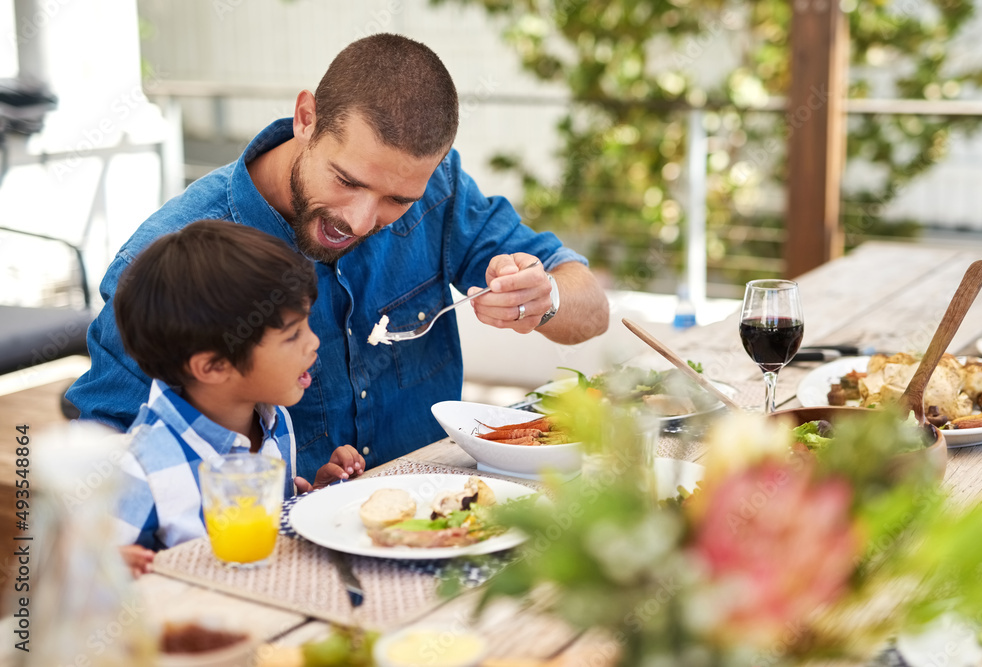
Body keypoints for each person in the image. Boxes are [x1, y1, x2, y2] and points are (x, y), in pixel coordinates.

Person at [68, 33, 610, 484]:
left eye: (398, 200)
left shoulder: (439, 189)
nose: (359, 219)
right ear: (306, 117)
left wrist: (546, 298)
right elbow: (102, 464)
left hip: (449, 516)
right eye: (347, 180)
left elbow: (592, 311)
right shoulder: (162, 262)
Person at [112, 221, 364, 573]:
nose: (313, 342)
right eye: (292, 336)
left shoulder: (274, 420)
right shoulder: (140, 470)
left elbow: (267, 536)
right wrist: (105, 572)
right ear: (214, 367)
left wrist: (309, 499)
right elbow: (90, 586)